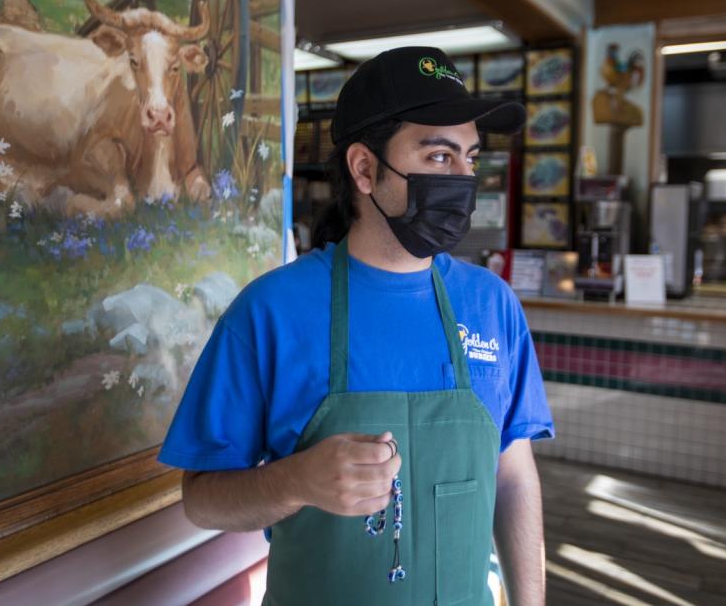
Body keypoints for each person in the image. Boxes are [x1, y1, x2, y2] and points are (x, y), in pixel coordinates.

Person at [158, 46, 555, 606]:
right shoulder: (271, 311)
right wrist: (296, 481)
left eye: (470, 158)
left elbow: (513, 475)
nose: (465, 179)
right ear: (365, 168)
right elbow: (201, 499)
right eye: (440, 157)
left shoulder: (492, 305)